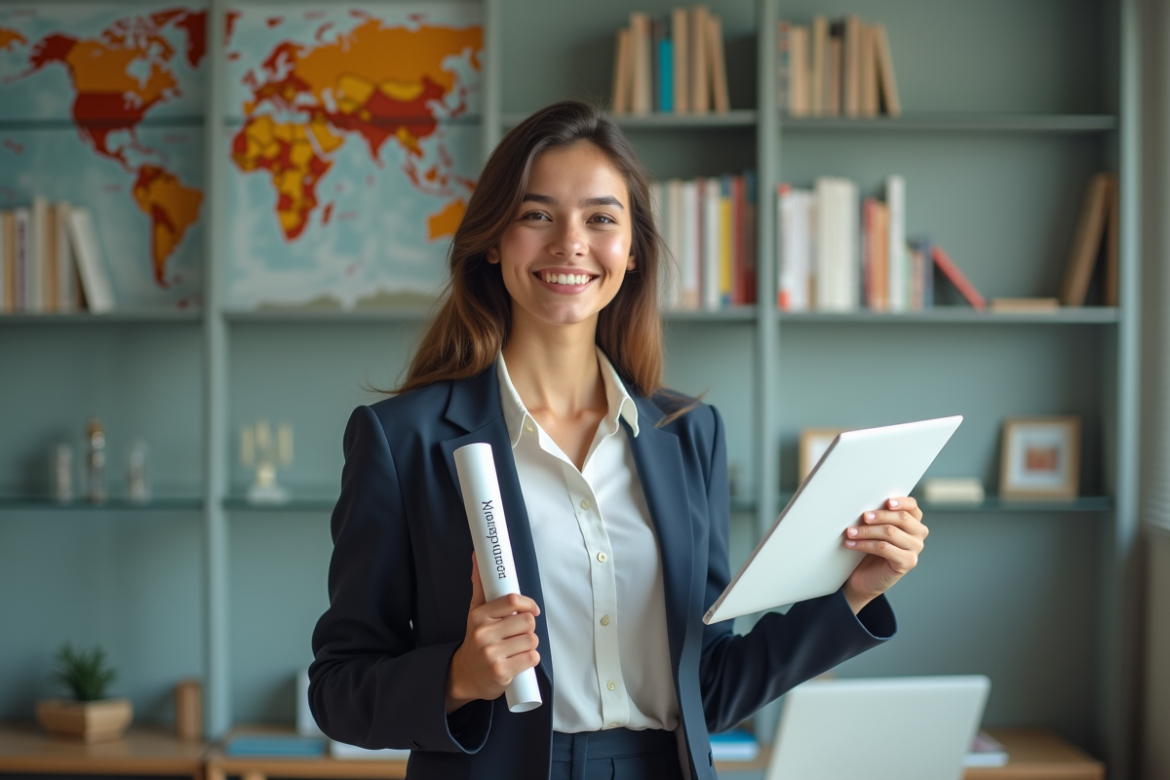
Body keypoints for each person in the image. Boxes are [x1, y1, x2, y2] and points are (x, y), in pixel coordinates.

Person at [308, 101, 928, 780]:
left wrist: (853, 597)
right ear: (493, 239)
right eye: (536, 214)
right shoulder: (404, 440)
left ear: (631, 252)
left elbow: (708, 686)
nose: (569, 243)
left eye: (601, 219)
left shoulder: (687, 434)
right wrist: (457, 677)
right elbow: (338, 691)